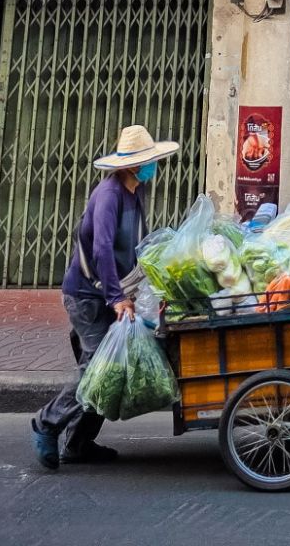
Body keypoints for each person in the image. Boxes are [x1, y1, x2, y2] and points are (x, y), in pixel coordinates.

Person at [30, 123, 179, 470]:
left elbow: (133, 249)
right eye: (148, 161)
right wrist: (116, 299)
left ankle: (79, 444)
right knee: (98, 369)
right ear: (132, 164)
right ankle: (47, 423)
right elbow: (101, 250)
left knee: (109, 370)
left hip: (110, 293)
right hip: (87, 297)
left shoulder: (134, 192)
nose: (152, 167)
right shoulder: (110, 195)